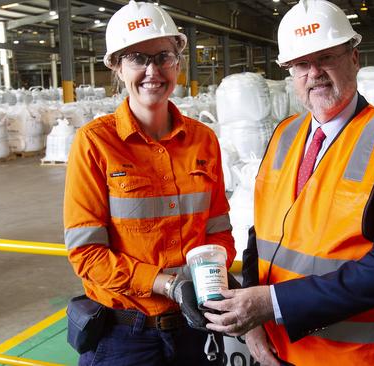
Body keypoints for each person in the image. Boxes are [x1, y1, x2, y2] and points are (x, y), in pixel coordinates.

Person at [203, 0, 374, 365]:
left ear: (353, 58)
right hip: (279, 350)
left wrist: (272, 304)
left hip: (356, 357)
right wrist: (254, 325)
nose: (315, 73)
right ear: (290, 73)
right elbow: (259, 235)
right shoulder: (284, 135)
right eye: (301, 64)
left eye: (326, 56)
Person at [63, 1, 235, 365]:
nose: (152, 70)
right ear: (118, 67)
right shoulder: (95, 143)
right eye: (137, 58)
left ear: (178, 62)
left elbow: (219, 229)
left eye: (163, 57)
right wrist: (169, 285)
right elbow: (87, 256)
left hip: (196, 327)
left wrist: (212, 277)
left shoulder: (204, 140)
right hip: (125, 335)